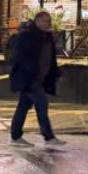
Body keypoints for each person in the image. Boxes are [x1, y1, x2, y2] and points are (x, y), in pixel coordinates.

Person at [7, 11, 67, 147]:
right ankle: (49, 137)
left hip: (37, 78)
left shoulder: (46, 37)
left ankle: (15, 137)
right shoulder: (27, 36)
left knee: (23, 107)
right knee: (42, 105)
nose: (47, 24)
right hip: (29, 79)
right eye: (44, 21)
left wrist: (56, 73)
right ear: (37, 21)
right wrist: (30, 72)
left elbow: (49, 59)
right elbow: (19, 57)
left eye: (49, 21)